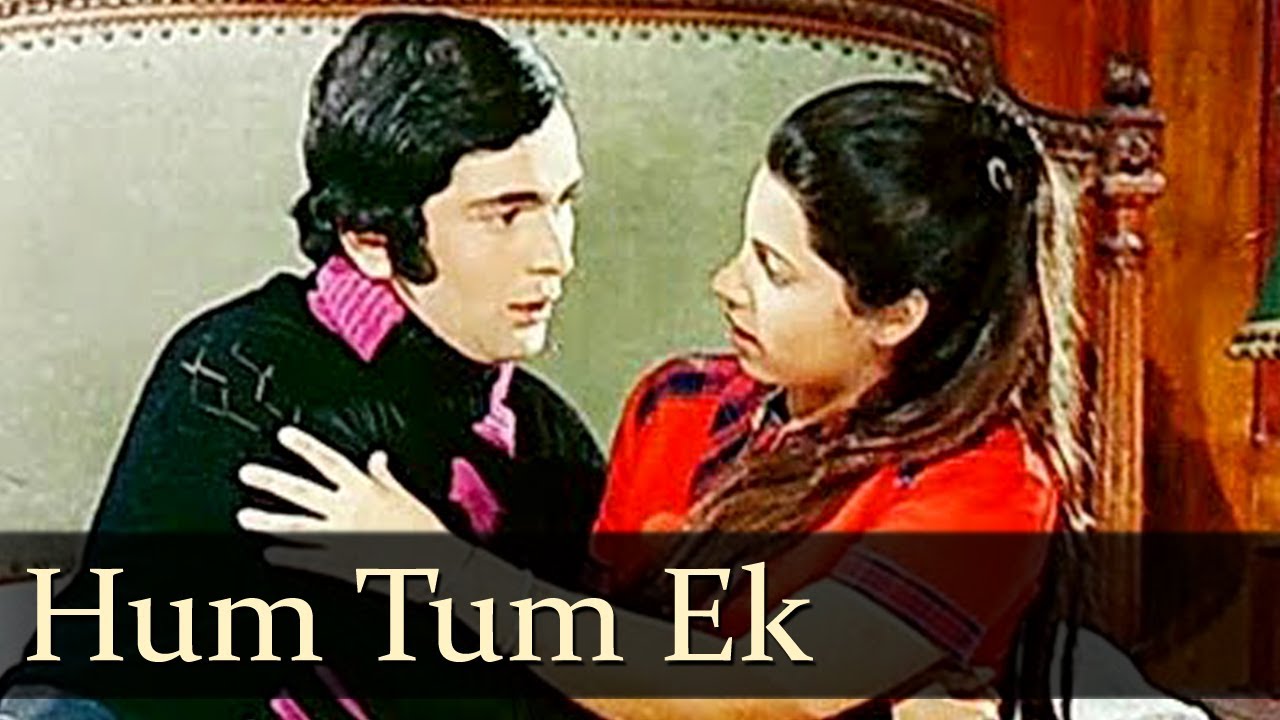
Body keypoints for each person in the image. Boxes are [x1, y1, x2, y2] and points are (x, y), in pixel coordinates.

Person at [238, 81, 1093, 719]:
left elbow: (755, 697)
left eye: (774, 270)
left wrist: (437, 568)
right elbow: (590, 653)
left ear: (898, 314)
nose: (726, 284)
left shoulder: (988, 487)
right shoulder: (680, 404)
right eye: (744, 247)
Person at [0, 12, 603, 720]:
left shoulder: (543, 435)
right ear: (370, 238)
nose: (556, 256)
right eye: (505, 214)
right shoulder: (243, 380)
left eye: (563, 203)